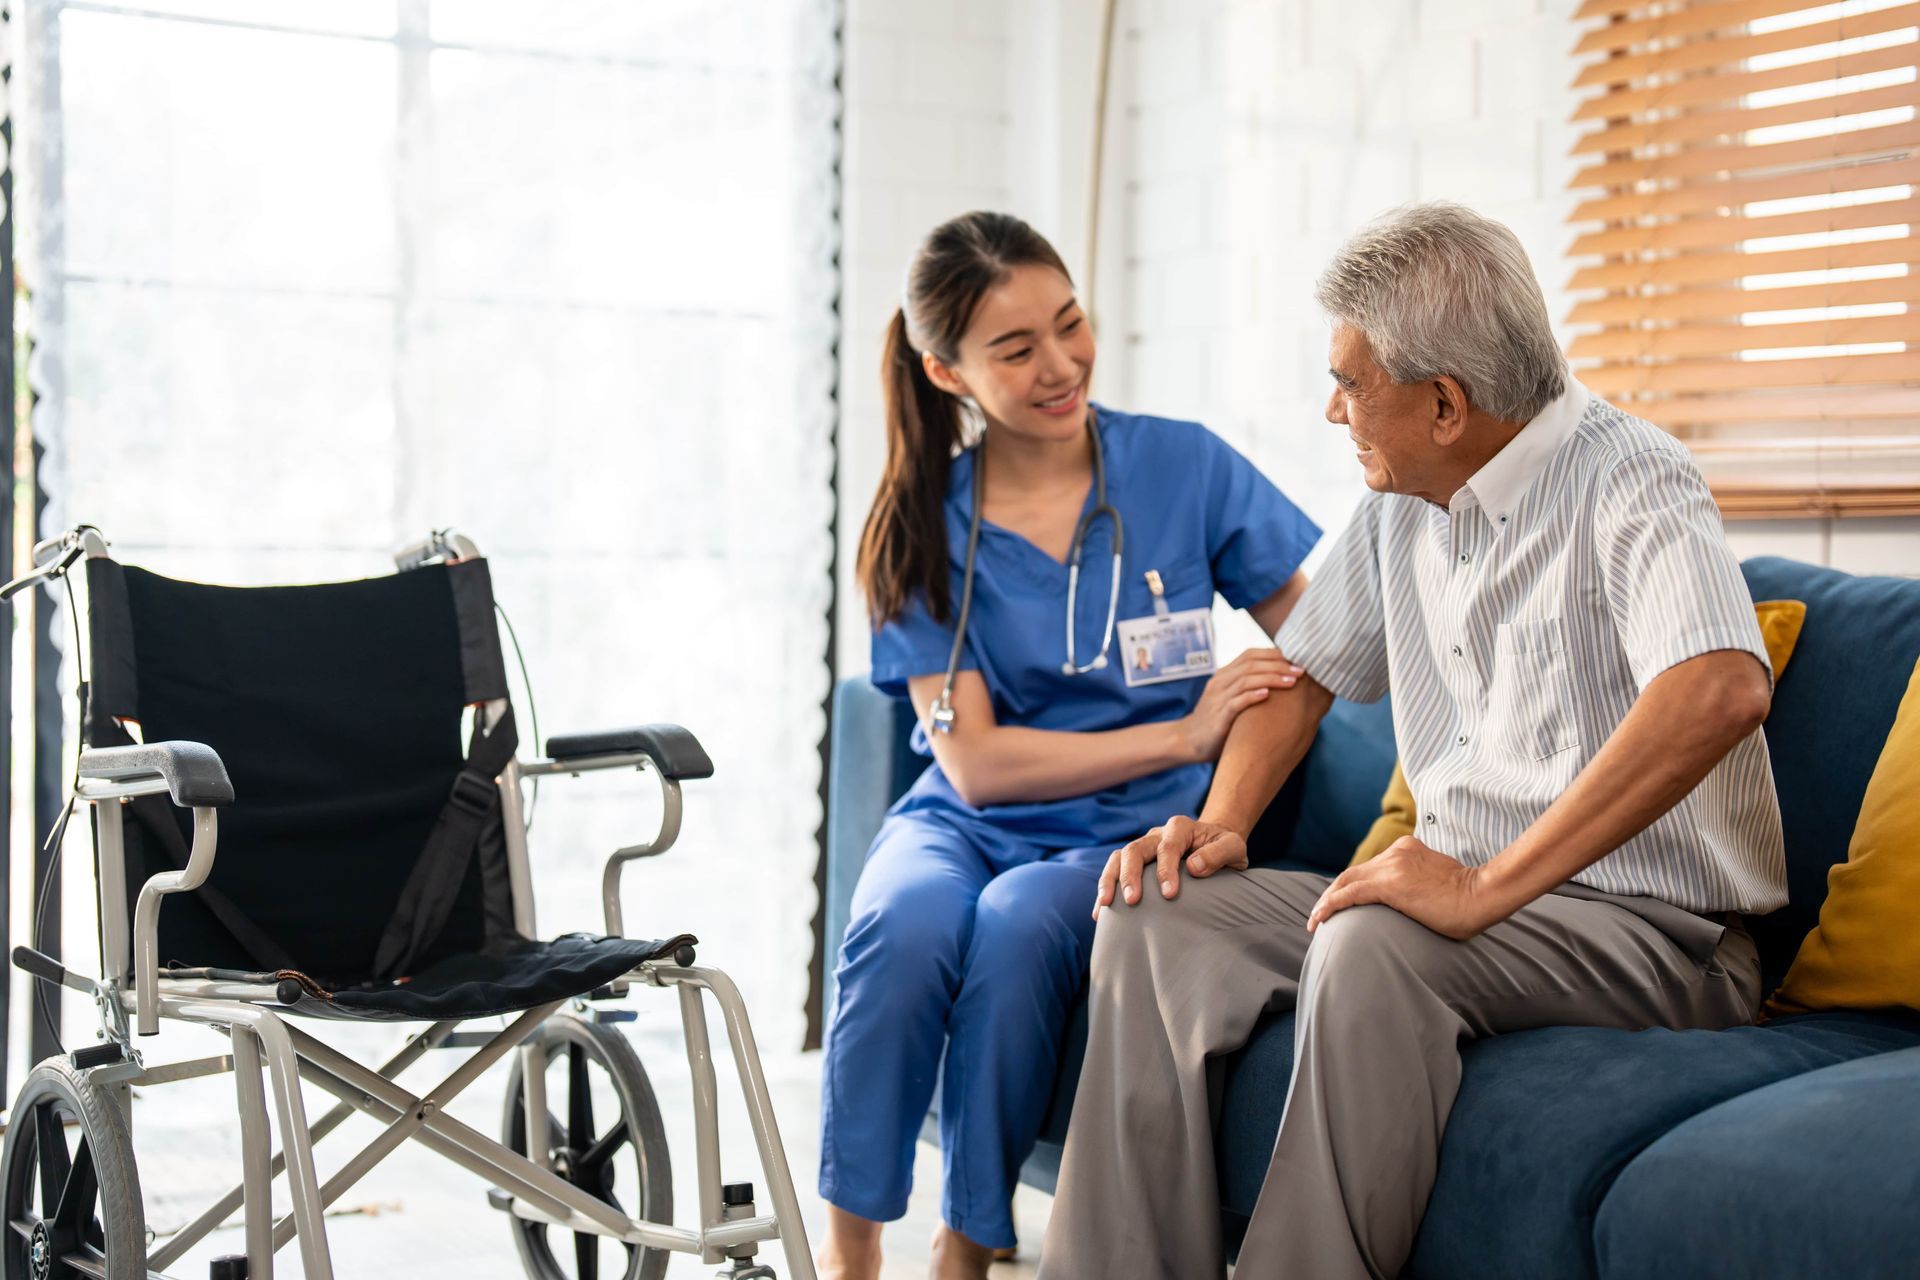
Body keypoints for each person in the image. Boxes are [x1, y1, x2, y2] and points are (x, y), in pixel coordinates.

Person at [1039, 202, 1787, 1280]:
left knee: (1377, 941)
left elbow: (1719, 687)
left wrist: (1487, 888)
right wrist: (1217, 827)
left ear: (1445, 401)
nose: (1332, 406)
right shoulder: (1404, 497)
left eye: (1350, 382)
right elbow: (1300, 673)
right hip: (1482, 917)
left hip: (1661, 939)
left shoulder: (1634, 475)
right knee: (1161, 913)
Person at [818, 210, 1320, 1280]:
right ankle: (849, 1250)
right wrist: (1183, 725)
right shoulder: (916, 525)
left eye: (1070, 324)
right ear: (946, 371)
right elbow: (977, 766)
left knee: (1011, 928)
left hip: (1130, 831)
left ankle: (967, 1239)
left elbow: (1324, 643)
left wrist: (1217, 790)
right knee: (898, 926)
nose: (1061, 365)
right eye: (1015, 348)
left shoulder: (1181, 467)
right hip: (969, 814)